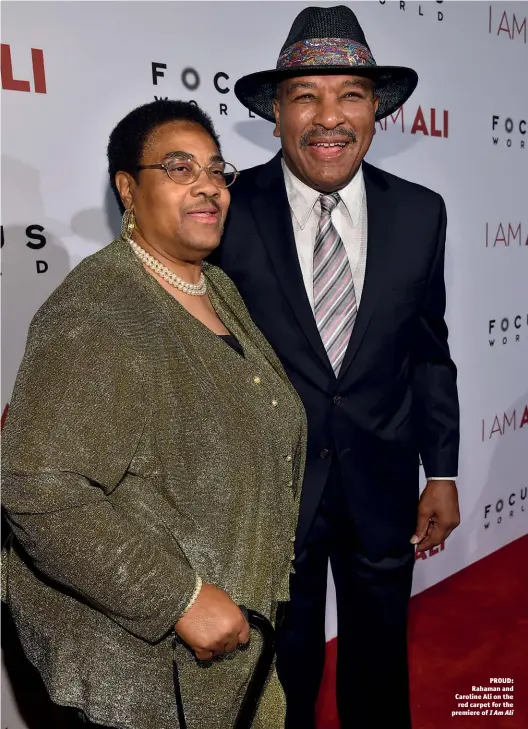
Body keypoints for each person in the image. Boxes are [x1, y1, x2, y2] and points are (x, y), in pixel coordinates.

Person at [1, 99, 307, 729]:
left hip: (229, 659)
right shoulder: (98, 311)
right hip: (139, 678)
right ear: (128, 189)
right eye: (179, 168)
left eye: (218, 170)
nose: (208, 186)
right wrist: (180, 600)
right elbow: (35, 490)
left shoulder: (214, 286)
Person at [209, 5, 461, 728]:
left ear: (376, 111)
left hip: (381, 482)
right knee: (280, 679)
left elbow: (427, 350)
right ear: (276, 113)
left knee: (379, 670)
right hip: (267, 491)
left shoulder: (421, 212)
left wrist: (439, 469)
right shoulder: (226, 208)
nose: (330, 117)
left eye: (350, 94)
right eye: (306, 96)